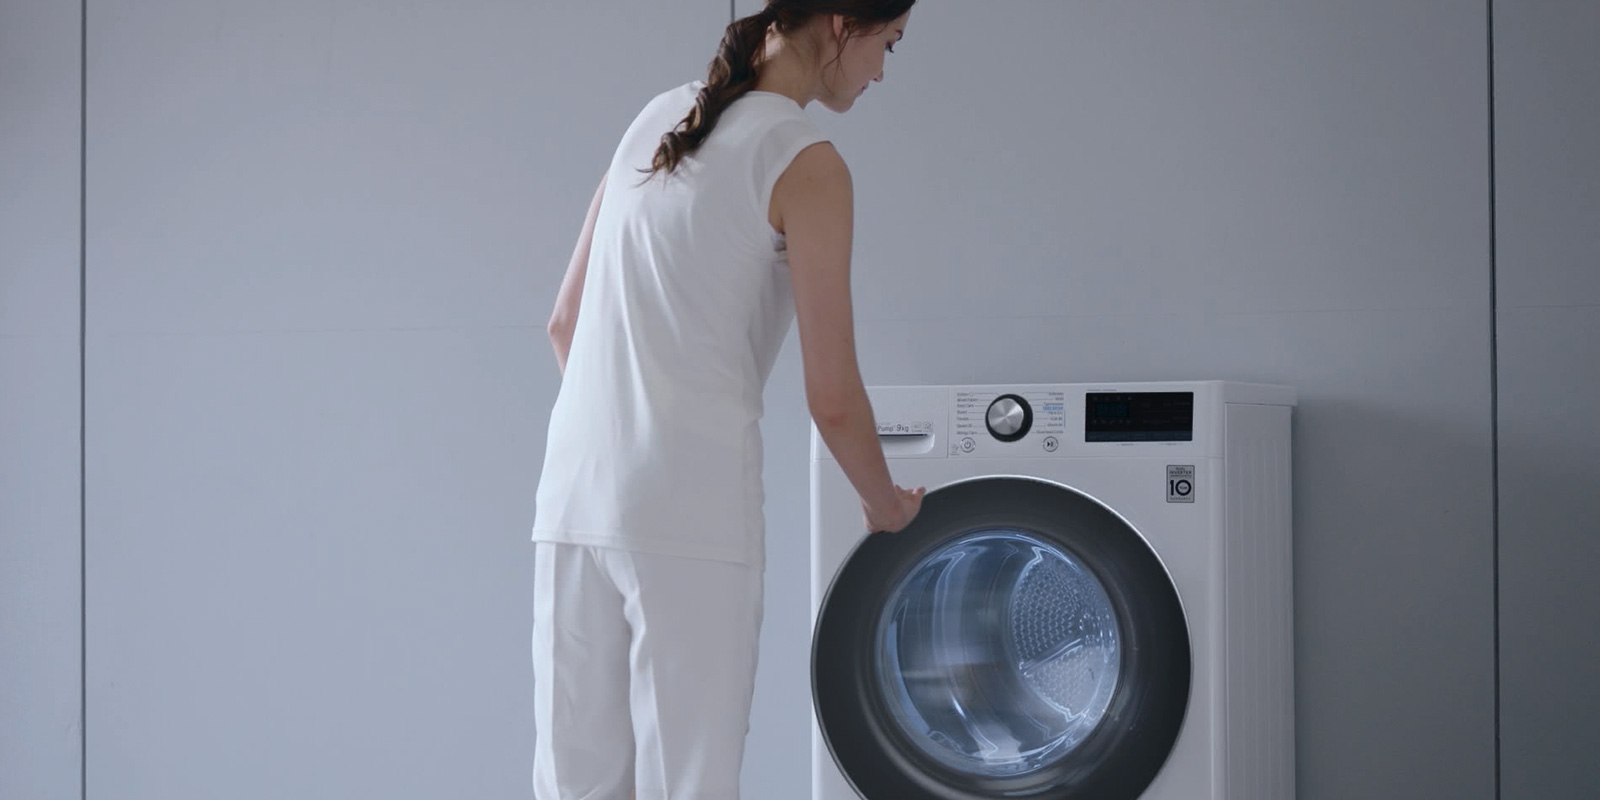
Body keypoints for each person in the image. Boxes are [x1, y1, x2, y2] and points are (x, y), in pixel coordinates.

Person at [531, 2, 921, 797]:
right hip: (690, 512)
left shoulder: (655, 117)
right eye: (890, 43)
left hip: (572, 498)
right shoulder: (806, 161)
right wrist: (886, 506)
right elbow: (833, 396)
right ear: (845, 24)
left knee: (576, 785)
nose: (884, 70)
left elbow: (564, 324)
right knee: (690, 782)